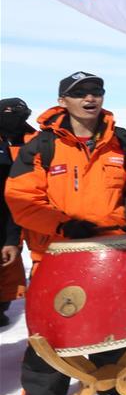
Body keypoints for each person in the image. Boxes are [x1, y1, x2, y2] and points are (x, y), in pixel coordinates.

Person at [5, 73, 126, 395]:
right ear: (63, 100)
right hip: (57, 254)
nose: (90, 99)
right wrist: (62, 225)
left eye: (96, 92)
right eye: (80, 94)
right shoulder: (41, 146)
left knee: (110, 326)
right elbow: (21, 198)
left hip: (109, 255)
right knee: (49, 337)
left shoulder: (122, 142)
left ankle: (111, 387)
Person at [0, 98, 34, 328]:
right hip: (7, 208)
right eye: (9, 112)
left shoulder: (36, 140)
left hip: (27, 206)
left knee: (10, 258)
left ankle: (3, 304)